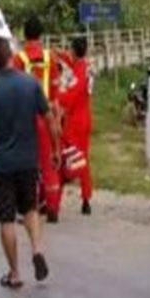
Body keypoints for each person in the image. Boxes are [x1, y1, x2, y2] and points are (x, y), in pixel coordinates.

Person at [0, 37, 60, 289]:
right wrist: (55, 150)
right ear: (11, 54)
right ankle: (37, 249)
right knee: (30, 209)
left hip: (3, 164)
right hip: (28, 161)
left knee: (7, 219)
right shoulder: (30, 84)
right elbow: (50, 118)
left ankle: (14, 273)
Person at [12, 17, 64, 223]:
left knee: (28, 166)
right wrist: (57, 118)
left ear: (25, 35)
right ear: (41, 35)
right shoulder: (49, 57)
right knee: (50, 162)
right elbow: (56, 90)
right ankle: (53, 207)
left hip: (26, 118)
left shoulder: (19, 59)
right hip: (47, 115)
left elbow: (14, 92)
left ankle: (30, 209)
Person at [59, 36, 95, 215]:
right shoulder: (85, 67)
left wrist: (55, 96)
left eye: (69, 50)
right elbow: (71, 62)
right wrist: (58, 54)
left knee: (68, 155)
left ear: (74, 50)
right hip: (84, 117)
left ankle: (57, 192)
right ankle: (86, 197)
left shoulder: (79, 74)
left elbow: (69, 97)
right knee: (83, 158)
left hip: (75, 121)